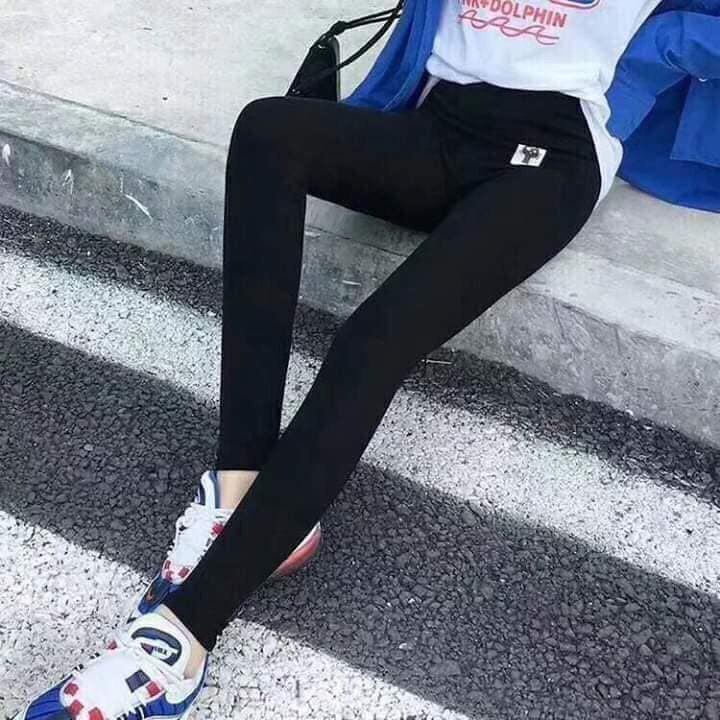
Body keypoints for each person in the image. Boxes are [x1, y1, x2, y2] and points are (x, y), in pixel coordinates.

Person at [17, 1, 684, 717]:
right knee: (267, 131)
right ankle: (241, 490)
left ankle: (181, 639)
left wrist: (656, 60)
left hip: (547, 161)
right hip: (440, 124)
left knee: (374, 337)